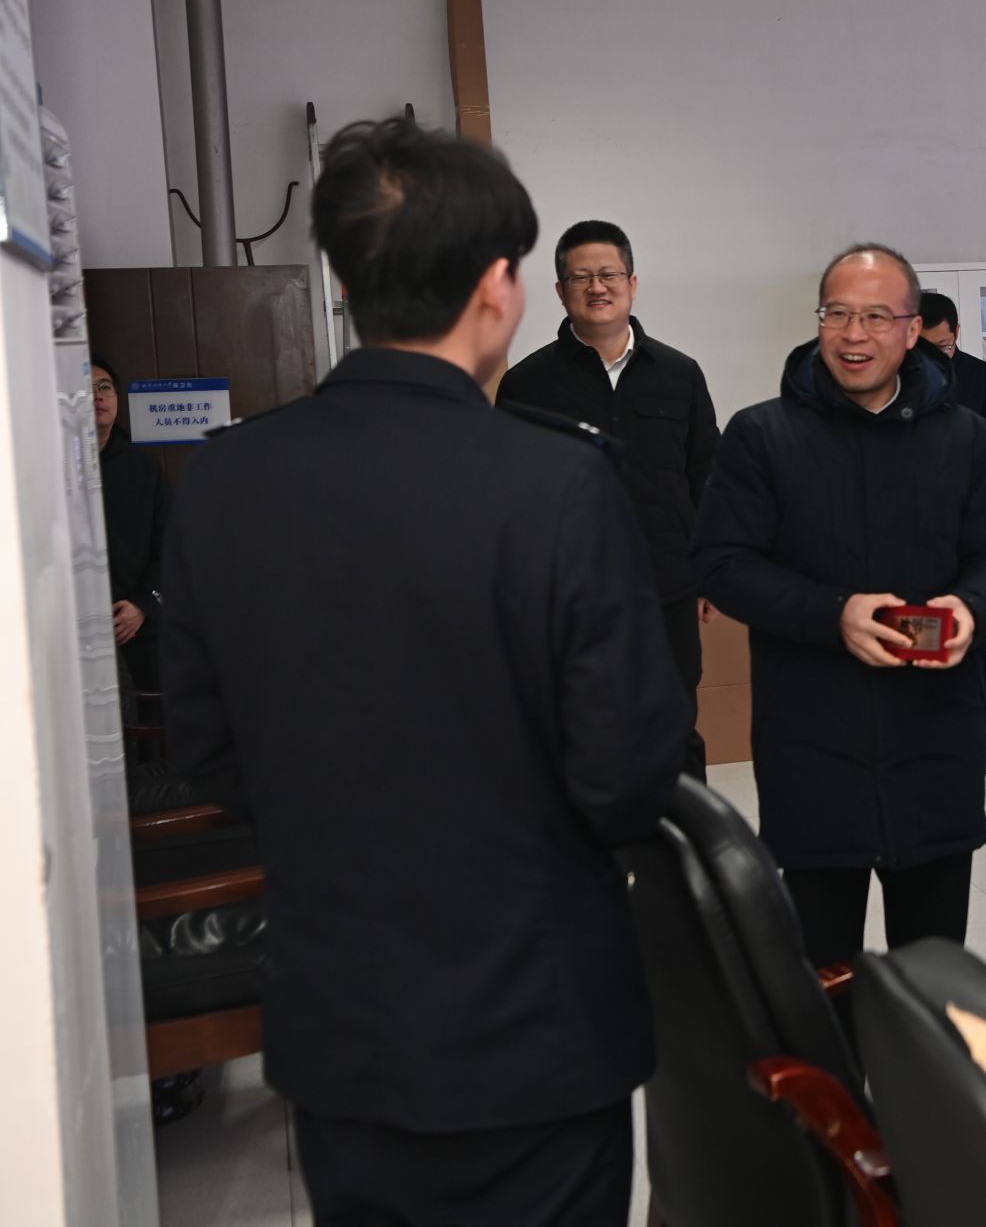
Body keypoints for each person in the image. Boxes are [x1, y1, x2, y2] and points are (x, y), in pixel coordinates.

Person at [161, 118, 692, 1226]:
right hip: (537, 1022)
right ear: (498, 287)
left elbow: (207, 750)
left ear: (342, 280)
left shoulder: (222, 482)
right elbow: (629, 772)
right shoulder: (558, 484)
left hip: (343, 1023)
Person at [690, 243, 986, 967]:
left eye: (877, 316)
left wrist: (971, 610)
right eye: (837, 314)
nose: (854, 334)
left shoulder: (962, 437)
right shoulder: (763, 435)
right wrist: (833, 613)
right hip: (812, 739)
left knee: (933, 976)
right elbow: (721, 563)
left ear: (912, 329)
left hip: (934, 732)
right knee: (822, 977)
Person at [497, 219, 719, 780]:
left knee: (673, 726)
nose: (597, 287)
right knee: (580, 730)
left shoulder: (680, 374)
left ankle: (679, 835)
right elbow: (511, 501)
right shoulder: (527, 385)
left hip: (666, 588)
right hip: (570, 596)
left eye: (609, 275)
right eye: (581, 278)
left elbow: (707, 478)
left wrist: (711, 572)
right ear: (560, 291)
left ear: (632, 283)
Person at [918, 290, 986, 773]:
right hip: (914, 520)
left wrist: (968, 441)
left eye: (942, 346)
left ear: (957, 333)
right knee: (920, 624)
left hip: (971, 518)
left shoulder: (980, 376)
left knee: (979, 626)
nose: (932, 357)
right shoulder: (894, 378)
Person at [91, 352, 170, 689]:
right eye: (85, 389)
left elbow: (171, 545)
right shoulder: (47, 468)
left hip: (137, 629)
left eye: (104, 387)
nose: (97, 396)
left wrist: (143, 605)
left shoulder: (143, 470)